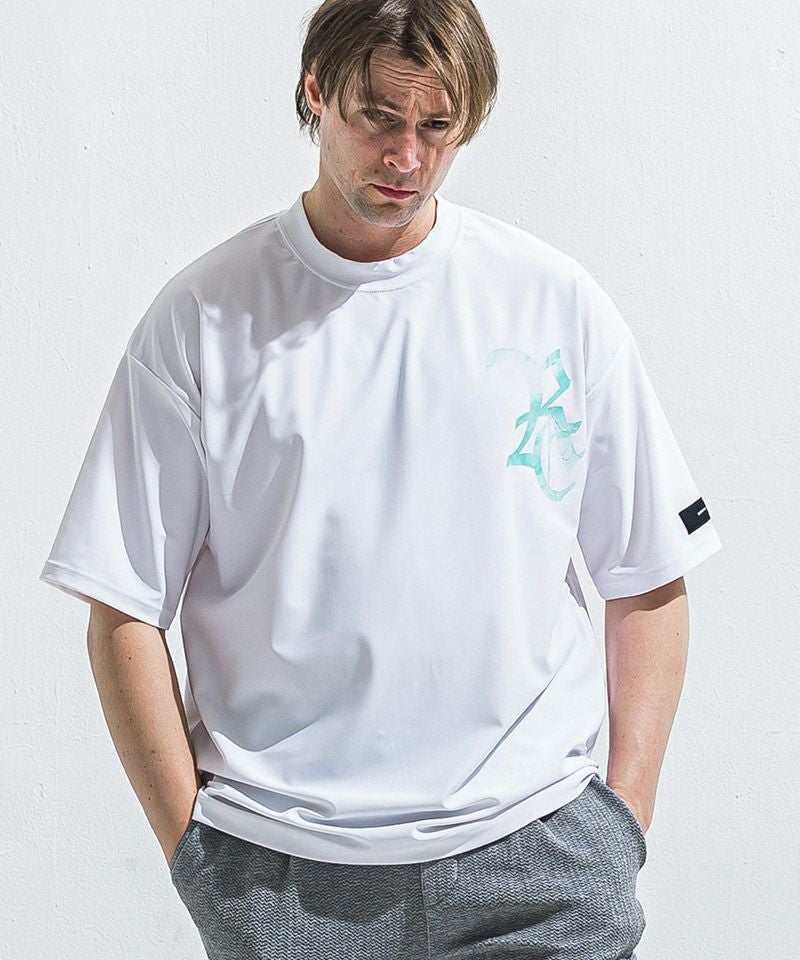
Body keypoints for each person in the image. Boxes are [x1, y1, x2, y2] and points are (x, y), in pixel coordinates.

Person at [39, 1, 722, 957]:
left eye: (438, 126)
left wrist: (622, 824)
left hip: (539, 851)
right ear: (316, 91)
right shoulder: (202, 318)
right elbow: (121, 602)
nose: (407, 156)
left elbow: (648, 576)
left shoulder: (550, 303)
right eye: (378, 117)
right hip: (284, 874)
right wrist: (194, 850)